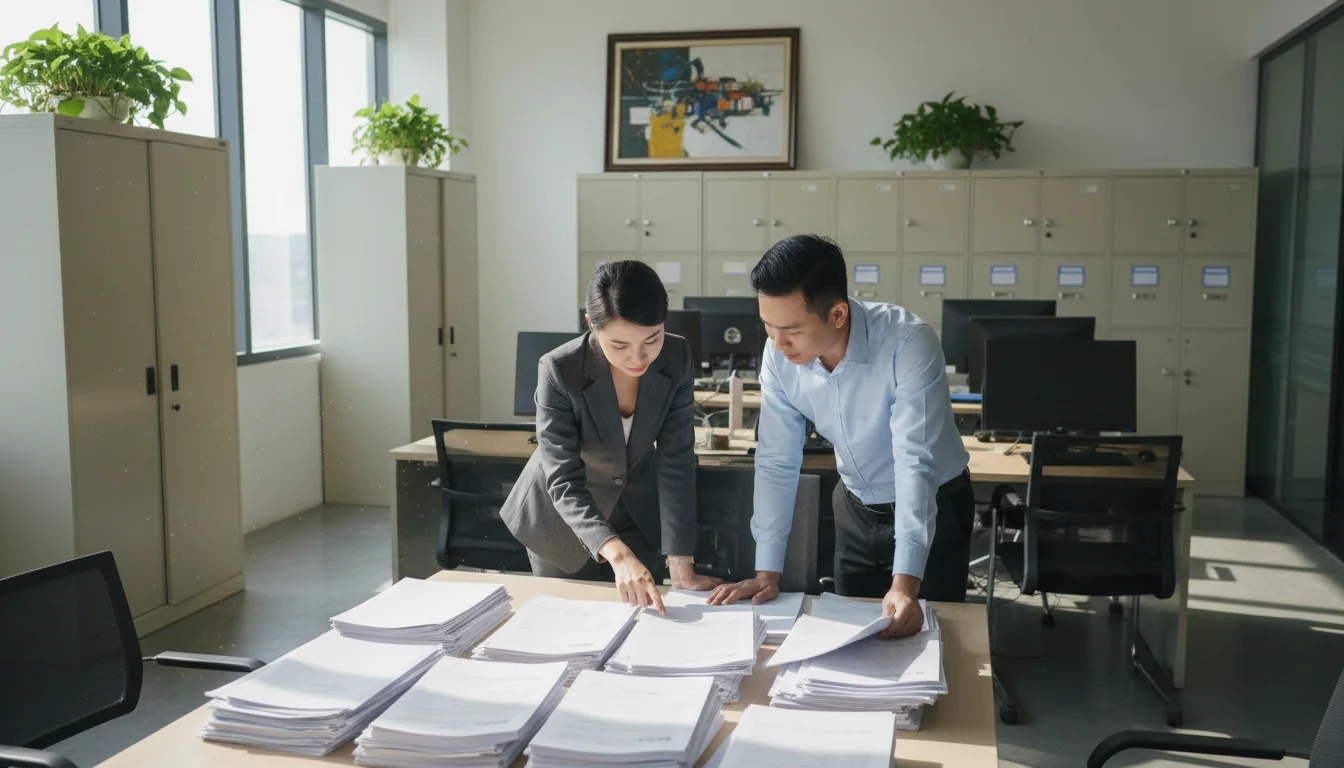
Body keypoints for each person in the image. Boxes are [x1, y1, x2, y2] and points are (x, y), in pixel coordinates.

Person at [708, 234, 973, 639]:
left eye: (792, 330)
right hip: (855, 510)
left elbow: (913, 461)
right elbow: (777, 460)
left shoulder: (908, 342)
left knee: (928, 643)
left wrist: (905, 583)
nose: (778, 344)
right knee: (851, 641)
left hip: (932, 506)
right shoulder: (778, 354)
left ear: (837, 313)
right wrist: (767, 571)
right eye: (768, 327)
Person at [500, 260, 723, 613]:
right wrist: (617, 554)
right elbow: (563, 480)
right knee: (568, 624)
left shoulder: (676, 356)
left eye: (652, 338)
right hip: (564, 522)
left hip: (637, 513)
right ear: (591, 325)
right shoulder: (559, 369)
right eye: (619, 345)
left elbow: (676, 461)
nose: (639, 357)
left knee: (639, 624)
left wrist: (681, 565)